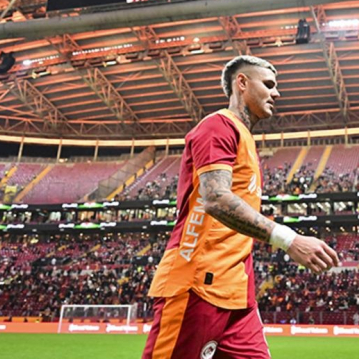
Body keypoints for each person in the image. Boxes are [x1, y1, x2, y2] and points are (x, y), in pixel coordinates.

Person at [142, 55, 340, 359]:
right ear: (242, 83)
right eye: (269, 84)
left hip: (237, 295)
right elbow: (216, 199)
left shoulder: (245, 139)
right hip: (197, 284)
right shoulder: (218, 126)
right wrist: (289, 240)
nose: (276, 93)